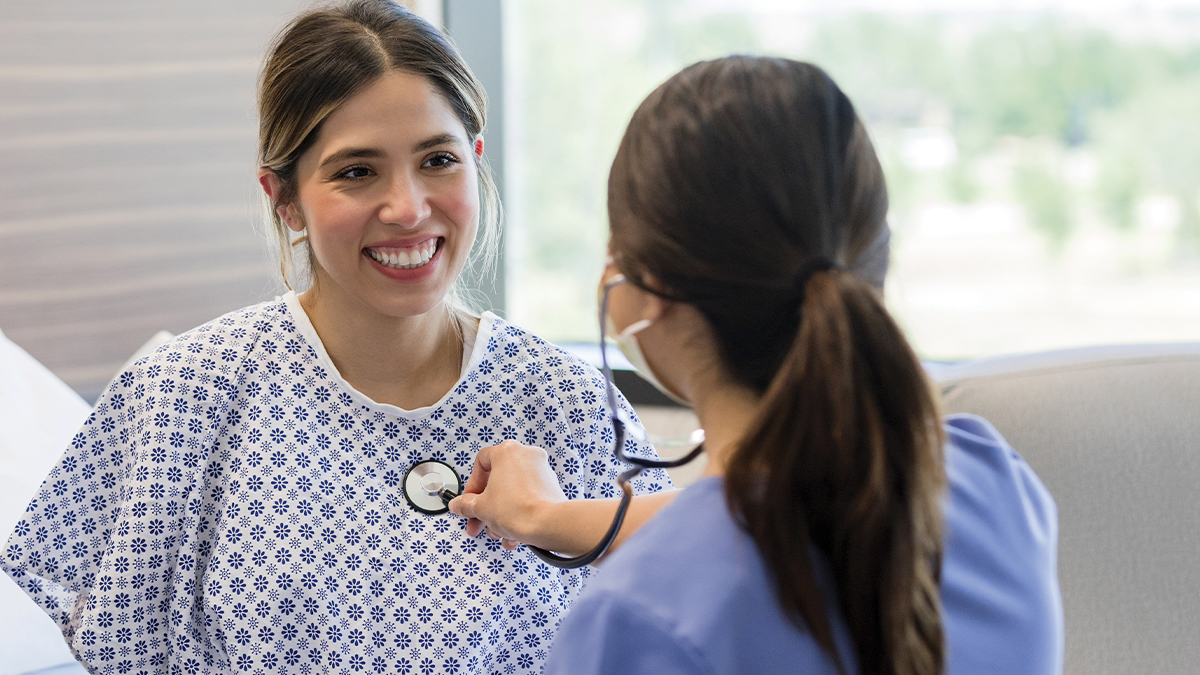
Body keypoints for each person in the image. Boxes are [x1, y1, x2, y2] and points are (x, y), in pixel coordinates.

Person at [0, 2, 672, 674]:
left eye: (437, 159)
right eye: (356, 171)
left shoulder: (569, 402)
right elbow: (121, 646)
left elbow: (669, 617)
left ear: (476, 161)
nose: (407, 208)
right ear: (283, 198)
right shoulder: (185, 396)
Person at [449, 57, 1064, 675]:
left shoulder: (638, 619)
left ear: (648, 286)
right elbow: (776, 518)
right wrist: (545, 518)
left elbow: (732, 543)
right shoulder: (988, 478)